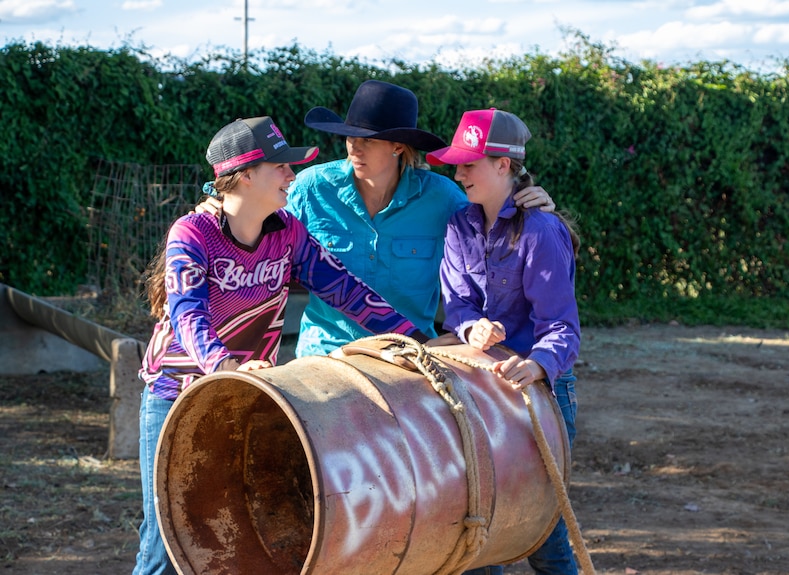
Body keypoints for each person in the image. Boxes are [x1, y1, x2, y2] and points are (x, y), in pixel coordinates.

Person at [133, 116, 429, 575]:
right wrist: (225, 365)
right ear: (246, 174)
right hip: (176, 396)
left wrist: (415, 337)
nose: (293, 177)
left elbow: (343, 288)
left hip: (245, 399)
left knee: (234, 537)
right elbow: (187, 316)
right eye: (282, 168)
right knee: (164, 546)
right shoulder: (192, 234)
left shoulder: (287, 232)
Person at [201, 80, 556, 357]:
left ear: (398, 146)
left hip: (412, 353)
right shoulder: (311, 188)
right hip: (326, 354)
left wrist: (526, 203)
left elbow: (494, 231)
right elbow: (253, 217)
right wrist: (218, 205)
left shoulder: (443, 198)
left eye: (367, 140)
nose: (354, 147)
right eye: (349, 138)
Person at [426, 108, 581, 575]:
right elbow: (457, 305)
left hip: (538, 392)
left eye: (469, 164)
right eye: (458, 164)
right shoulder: (459, 226)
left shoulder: (542, 231)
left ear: (503, 165)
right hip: (479, 388)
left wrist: (536, 366)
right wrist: (471, 327)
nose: (458, 174)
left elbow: (562, 327)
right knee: (478, 525)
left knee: (543, 531)